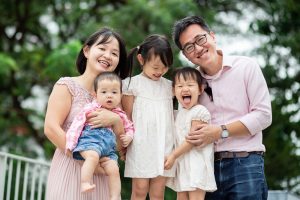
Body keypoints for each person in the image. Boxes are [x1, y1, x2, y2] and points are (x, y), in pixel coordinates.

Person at [172, 16, 272, 200]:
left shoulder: (246, 67)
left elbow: (263, 116)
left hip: (245, 163)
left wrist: (219, 132)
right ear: (186, 55)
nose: (198, 48)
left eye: (200, 39)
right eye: (189, 47)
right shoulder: (191, 87)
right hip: (205, 169)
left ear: (212, 36)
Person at [44, 27, 130, 200]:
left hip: (103, 176)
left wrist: (116, 122)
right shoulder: (67, 86)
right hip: (70, 168)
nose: (107, 55)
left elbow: (121, 149)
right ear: (87, 50)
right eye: (102, 48)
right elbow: (51, 129)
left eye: (114, 53)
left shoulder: (116, 99)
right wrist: (85, 159)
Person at [121, 34, 175, 200]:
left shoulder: (170, 87)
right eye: (156, 67)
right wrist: (124, 146)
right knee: (139, 190)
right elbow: (127, 118)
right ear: (141, 59)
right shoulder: (131, 84)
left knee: (158, 193)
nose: (160, 71)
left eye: (165, 67)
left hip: (164, 145)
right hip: (140, 145)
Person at [65, 72, 134, 198]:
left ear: (120, 95)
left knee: (114, 169)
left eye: (114, 92)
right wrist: (71, 143)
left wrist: (129, 137)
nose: (109, 96)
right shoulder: (90, 108)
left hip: (108, 150)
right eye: (104, 92)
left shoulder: (120, 115)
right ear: (95, 94)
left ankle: (114, 196)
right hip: (90, 143)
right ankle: (85, 182)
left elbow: (130, 128)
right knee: (93, 157)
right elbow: (77, 125)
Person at [165, 67, 217, 200]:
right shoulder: (178, 114)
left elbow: (192, 140)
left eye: (190, 85)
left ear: (200, 89)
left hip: (196, 165)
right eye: (180, 86)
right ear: (173, 91)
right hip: (182, 165)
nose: (185, 89)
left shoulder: (200, 111)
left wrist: (173, 156)